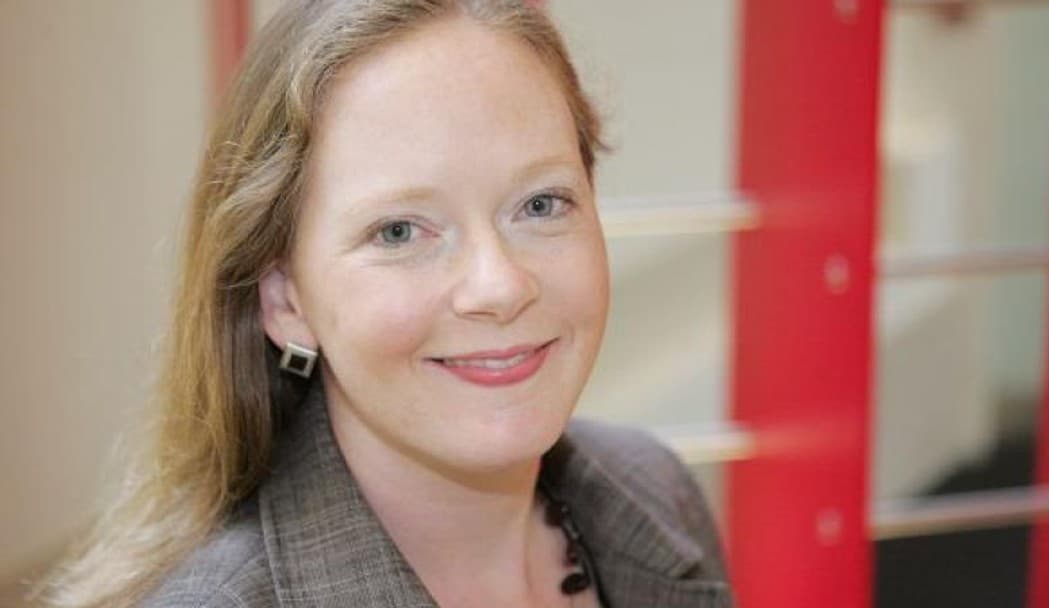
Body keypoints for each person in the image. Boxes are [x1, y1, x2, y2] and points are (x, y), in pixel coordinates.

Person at [35, 1, 733, 606]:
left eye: (541, 204)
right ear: (286, 301)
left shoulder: (657, 491)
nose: (499, 285)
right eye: (399, 231)